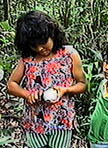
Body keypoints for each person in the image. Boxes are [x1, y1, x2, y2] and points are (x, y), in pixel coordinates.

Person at [7, 10, 87, 148]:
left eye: (43, 42)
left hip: (61, 121)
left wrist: (65, 90)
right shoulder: (27, 59)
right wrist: (27, 95)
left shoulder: (69, 54)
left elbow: (82, 84)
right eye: (34, 45)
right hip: (34, 122)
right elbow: (11, 85)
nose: (40, 49)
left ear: (51, 33)